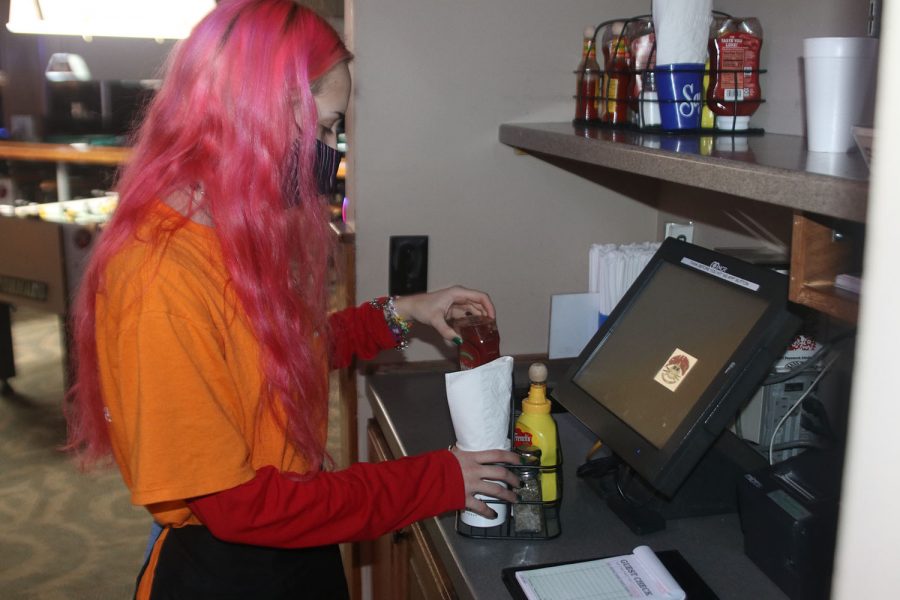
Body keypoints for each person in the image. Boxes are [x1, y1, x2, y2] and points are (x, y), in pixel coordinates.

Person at [64, 1, 520, 598]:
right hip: (232, 570)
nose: (333, 149)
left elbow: (276, 357)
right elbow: (239, 506)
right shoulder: (158, 277)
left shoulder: (222, 230)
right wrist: (438, 479)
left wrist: (402, 313)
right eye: (328, 127)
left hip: (291, 544)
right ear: (257, 112)